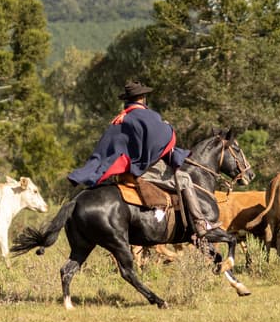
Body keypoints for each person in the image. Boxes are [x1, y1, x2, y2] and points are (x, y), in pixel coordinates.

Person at [67, 80, 214, 238]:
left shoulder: (120, 119)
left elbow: (106, 147)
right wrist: (168, 129)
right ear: (143, 97)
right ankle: (200, 223)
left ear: (127, 100)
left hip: (126, 169)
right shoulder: (148, 116)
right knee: (184, 178)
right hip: (144, 168)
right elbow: (164, 137)